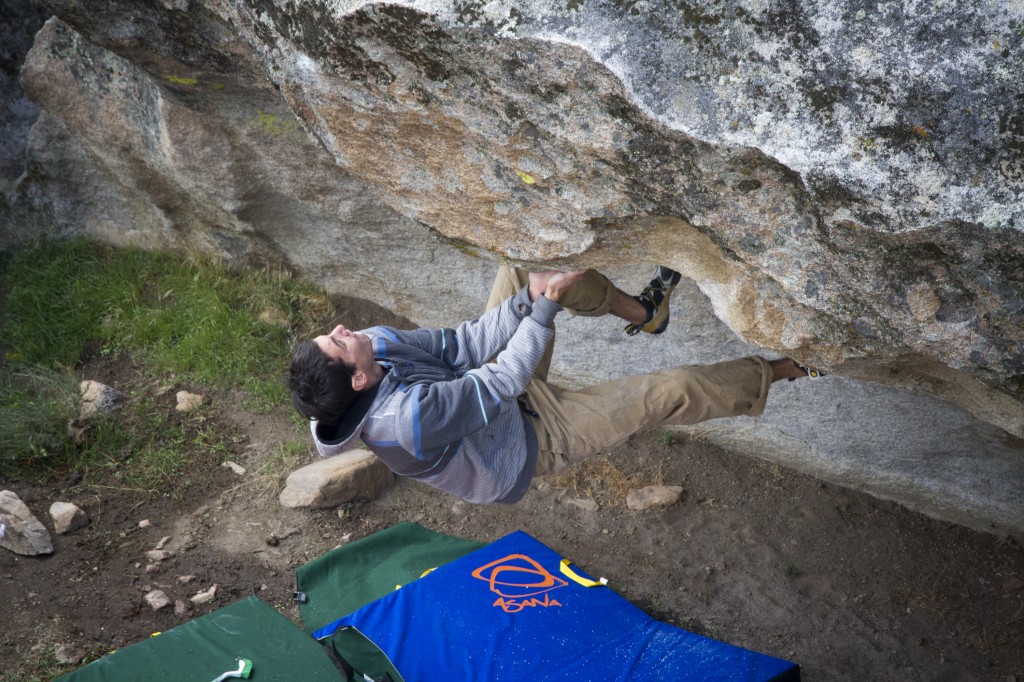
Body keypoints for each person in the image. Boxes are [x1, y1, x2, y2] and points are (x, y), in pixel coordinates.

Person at [288, 266, 821, 505]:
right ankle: (783, 370)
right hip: (527, 442)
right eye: (339, 342)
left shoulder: (372, 344)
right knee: (672, 387)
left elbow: (461, 347)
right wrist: (543, 310)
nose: (342, 329)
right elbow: (501, 379)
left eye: (332, 334)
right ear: (358, 379)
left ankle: (644, 311)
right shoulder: (406, 422)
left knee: (522, 272)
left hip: (489, 391)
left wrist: (529, 298)